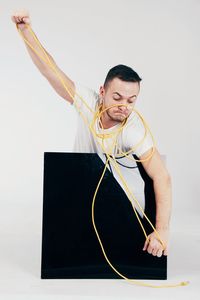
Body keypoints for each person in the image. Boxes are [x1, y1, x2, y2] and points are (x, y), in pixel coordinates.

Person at [11, 10, 172, 258]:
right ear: (102, 92)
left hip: (115, 198)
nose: (123, 106)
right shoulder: (87, 101)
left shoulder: (134, 132)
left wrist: (161, 231)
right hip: (80, 185)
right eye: (117, 97)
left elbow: (161, 177)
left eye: (131, 100)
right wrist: (25, 32)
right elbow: (51, 71)